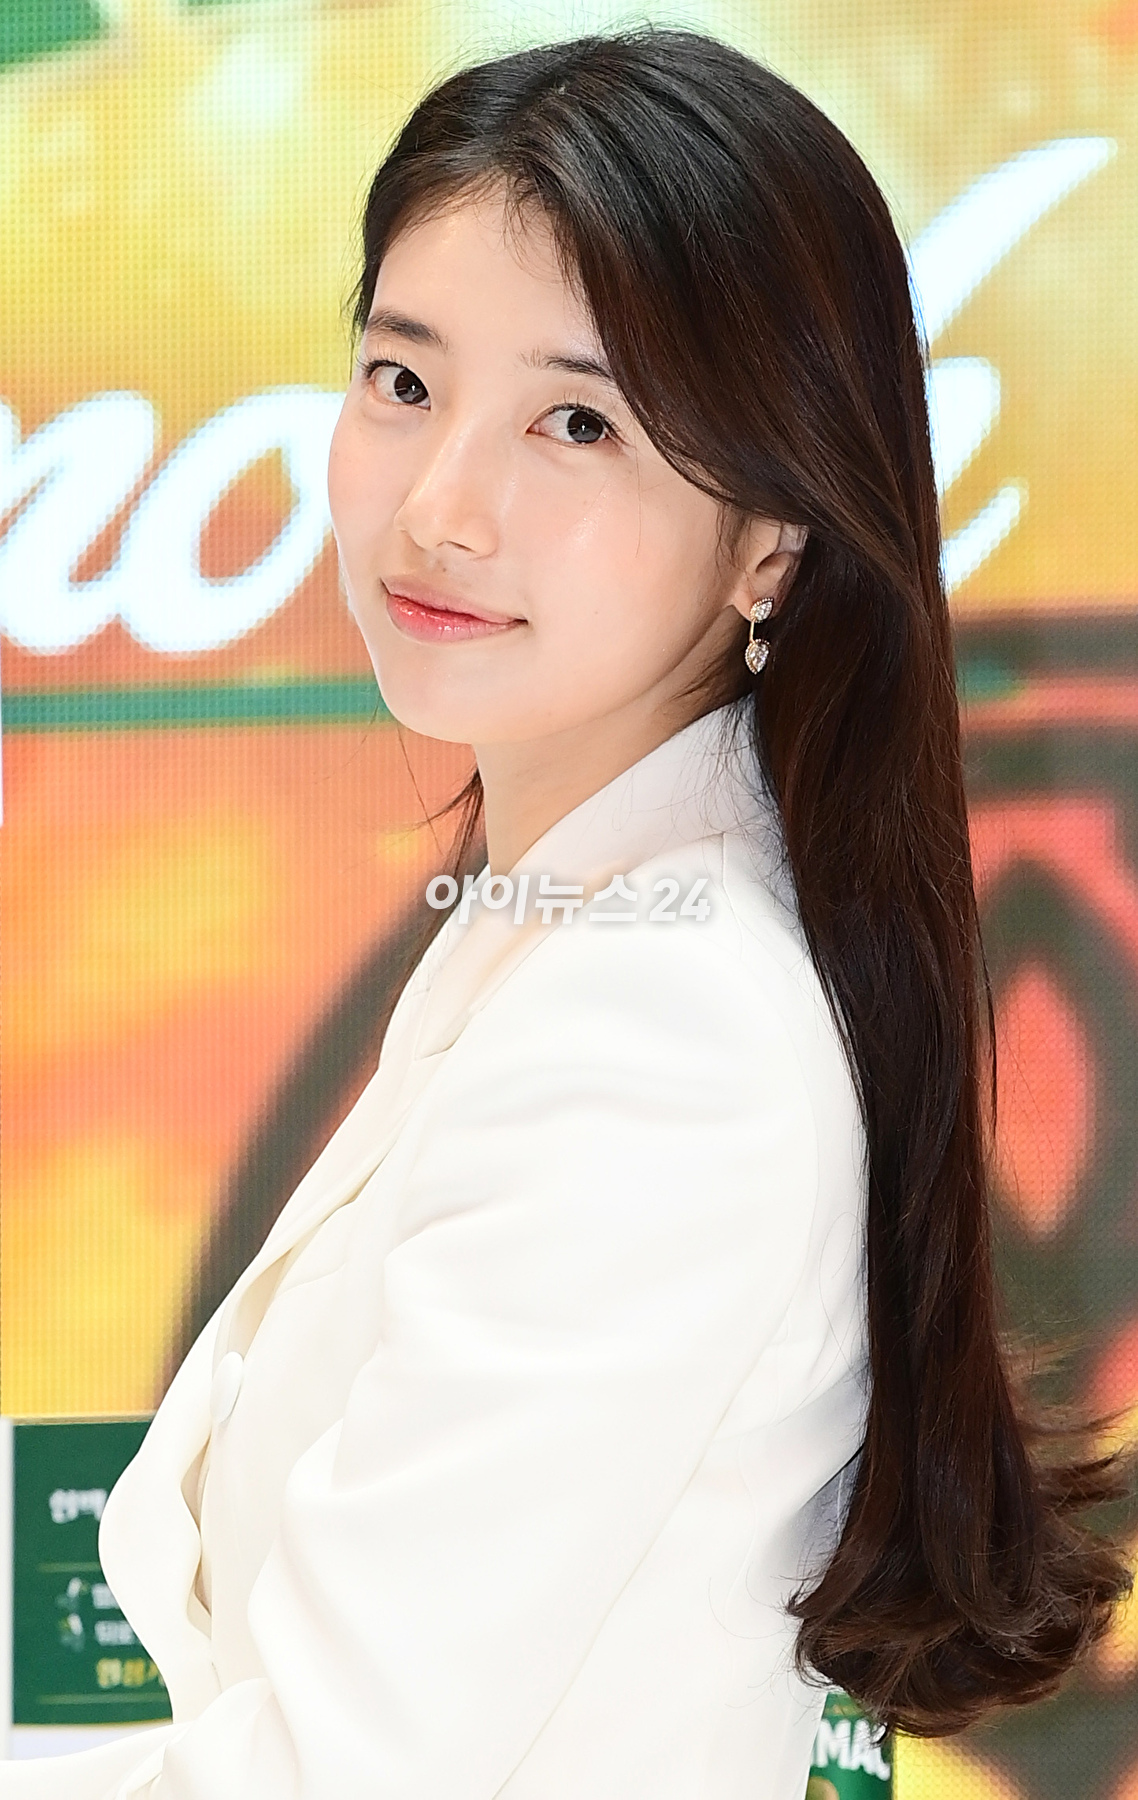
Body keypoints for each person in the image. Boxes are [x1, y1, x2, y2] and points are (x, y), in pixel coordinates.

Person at [5, 28, 1128, 1800]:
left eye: (576, 421)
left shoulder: (655, 1031)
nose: (439, 506)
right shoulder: (574, 921)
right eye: (401, 380)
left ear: (769, 537)